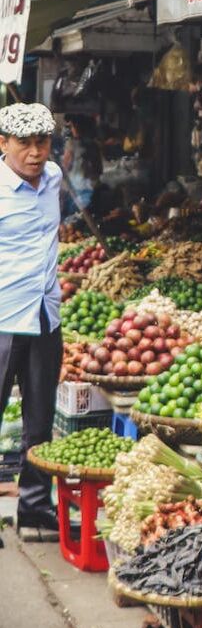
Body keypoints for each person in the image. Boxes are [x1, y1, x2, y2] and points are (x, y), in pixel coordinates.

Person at [0, 103, 65, 530]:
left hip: (45, 319)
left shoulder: (55, 178)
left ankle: (35, 510)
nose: (35, 152)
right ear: (3, 144)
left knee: (39, 423)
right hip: (3, 320)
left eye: (42, 142)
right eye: (24, 143)